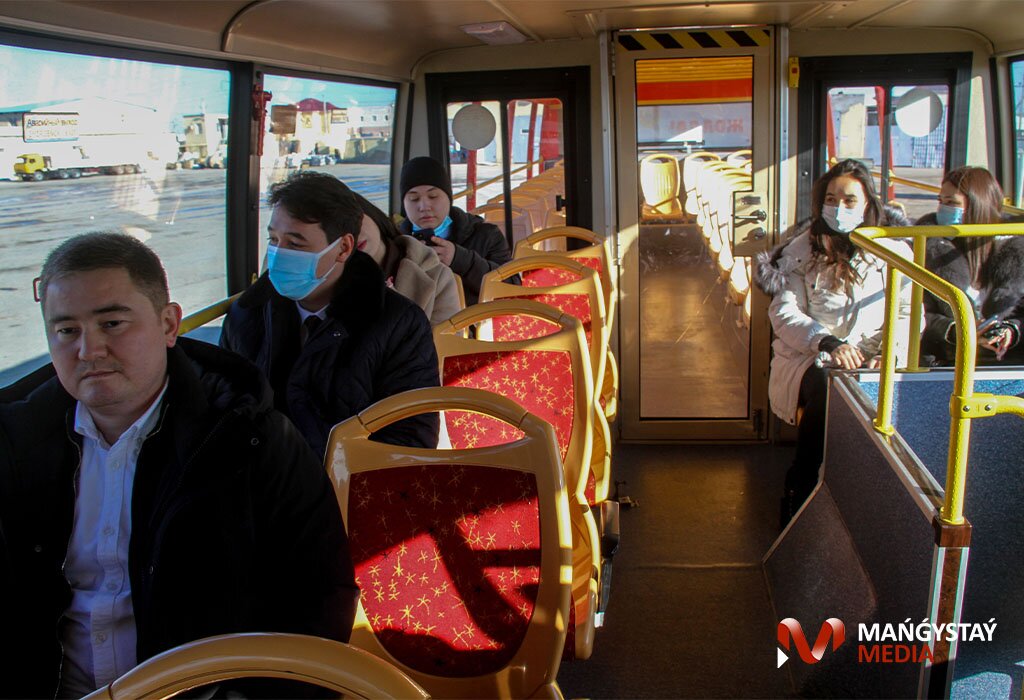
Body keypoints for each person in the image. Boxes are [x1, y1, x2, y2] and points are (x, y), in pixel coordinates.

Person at [0, 233, 358, 698]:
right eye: (67, 331)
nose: (89, 350)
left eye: (112, 323)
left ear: (169, 324)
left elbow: (317, 599)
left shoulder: (250, 441)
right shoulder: (14, 445)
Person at [220, 171, 440, 456]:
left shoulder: (399, 324)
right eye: (273, 239)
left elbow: (411, 437)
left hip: (347, 476)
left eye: (295, 244)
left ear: (343, 248)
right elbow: (221, 409)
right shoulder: (246, 314)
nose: (278, 254)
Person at [756, 159, 913, 525]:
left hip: (870, 356)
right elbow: (785, 314)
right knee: (831, 387)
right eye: (831, 199)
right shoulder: (800, 255)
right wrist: (827, 342)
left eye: (849, 200)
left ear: (868, 204)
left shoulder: (895, 255)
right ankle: (802, 485)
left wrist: (887, 353)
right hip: (812, 357)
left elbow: (907, 314)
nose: (838, 208)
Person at [916, 166, 1024, 364]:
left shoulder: (1017, 252)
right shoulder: (927, 246)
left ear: (978, 206)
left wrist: (1009, 329)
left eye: (951, 203)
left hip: (1008, 362)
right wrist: (958, 331)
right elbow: (919, 312)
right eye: (941, 201)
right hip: (945, 360)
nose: (942, 209)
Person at [398, 155, 513, 305]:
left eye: (433, 196)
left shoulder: (486, 235)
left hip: (475, 318)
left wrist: (461, 260)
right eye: (414, 199)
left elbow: (512, 287)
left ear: (449, 198)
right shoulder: (394, 241)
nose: (424, 206)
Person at [354, 191, 462, 325]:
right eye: (414, 199)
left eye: (354, 220)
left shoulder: (437, 275)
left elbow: (447, 336)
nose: (424, 206)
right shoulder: (333, 284)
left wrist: (459, 257)